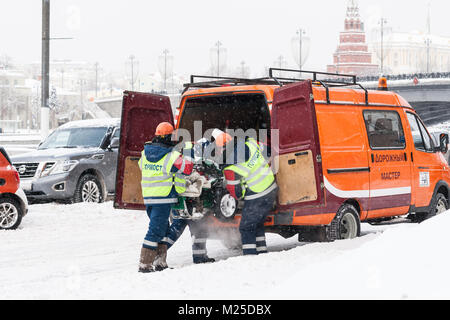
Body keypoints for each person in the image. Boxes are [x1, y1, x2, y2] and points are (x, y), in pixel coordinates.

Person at [138, 122, 194, 273]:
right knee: (155, 230)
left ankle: (160, 262)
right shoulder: (171, 155)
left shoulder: (145, 153)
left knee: (162, 229)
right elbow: (188, 168)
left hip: (149, 197)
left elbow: (140, 166)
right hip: (163, 198)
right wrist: (188, 150)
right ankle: (145, 264)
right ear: (170, 137)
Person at [213, 129, 277, 255]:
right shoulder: (251, 143)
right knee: (257, 223)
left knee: (246, 227)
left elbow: (236, 194)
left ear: (223, 149)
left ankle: (250, 256)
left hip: (257, 193)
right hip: (271, 188)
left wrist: (240, 191)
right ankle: (262, 252)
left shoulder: (231, 166)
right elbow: (268, 152)